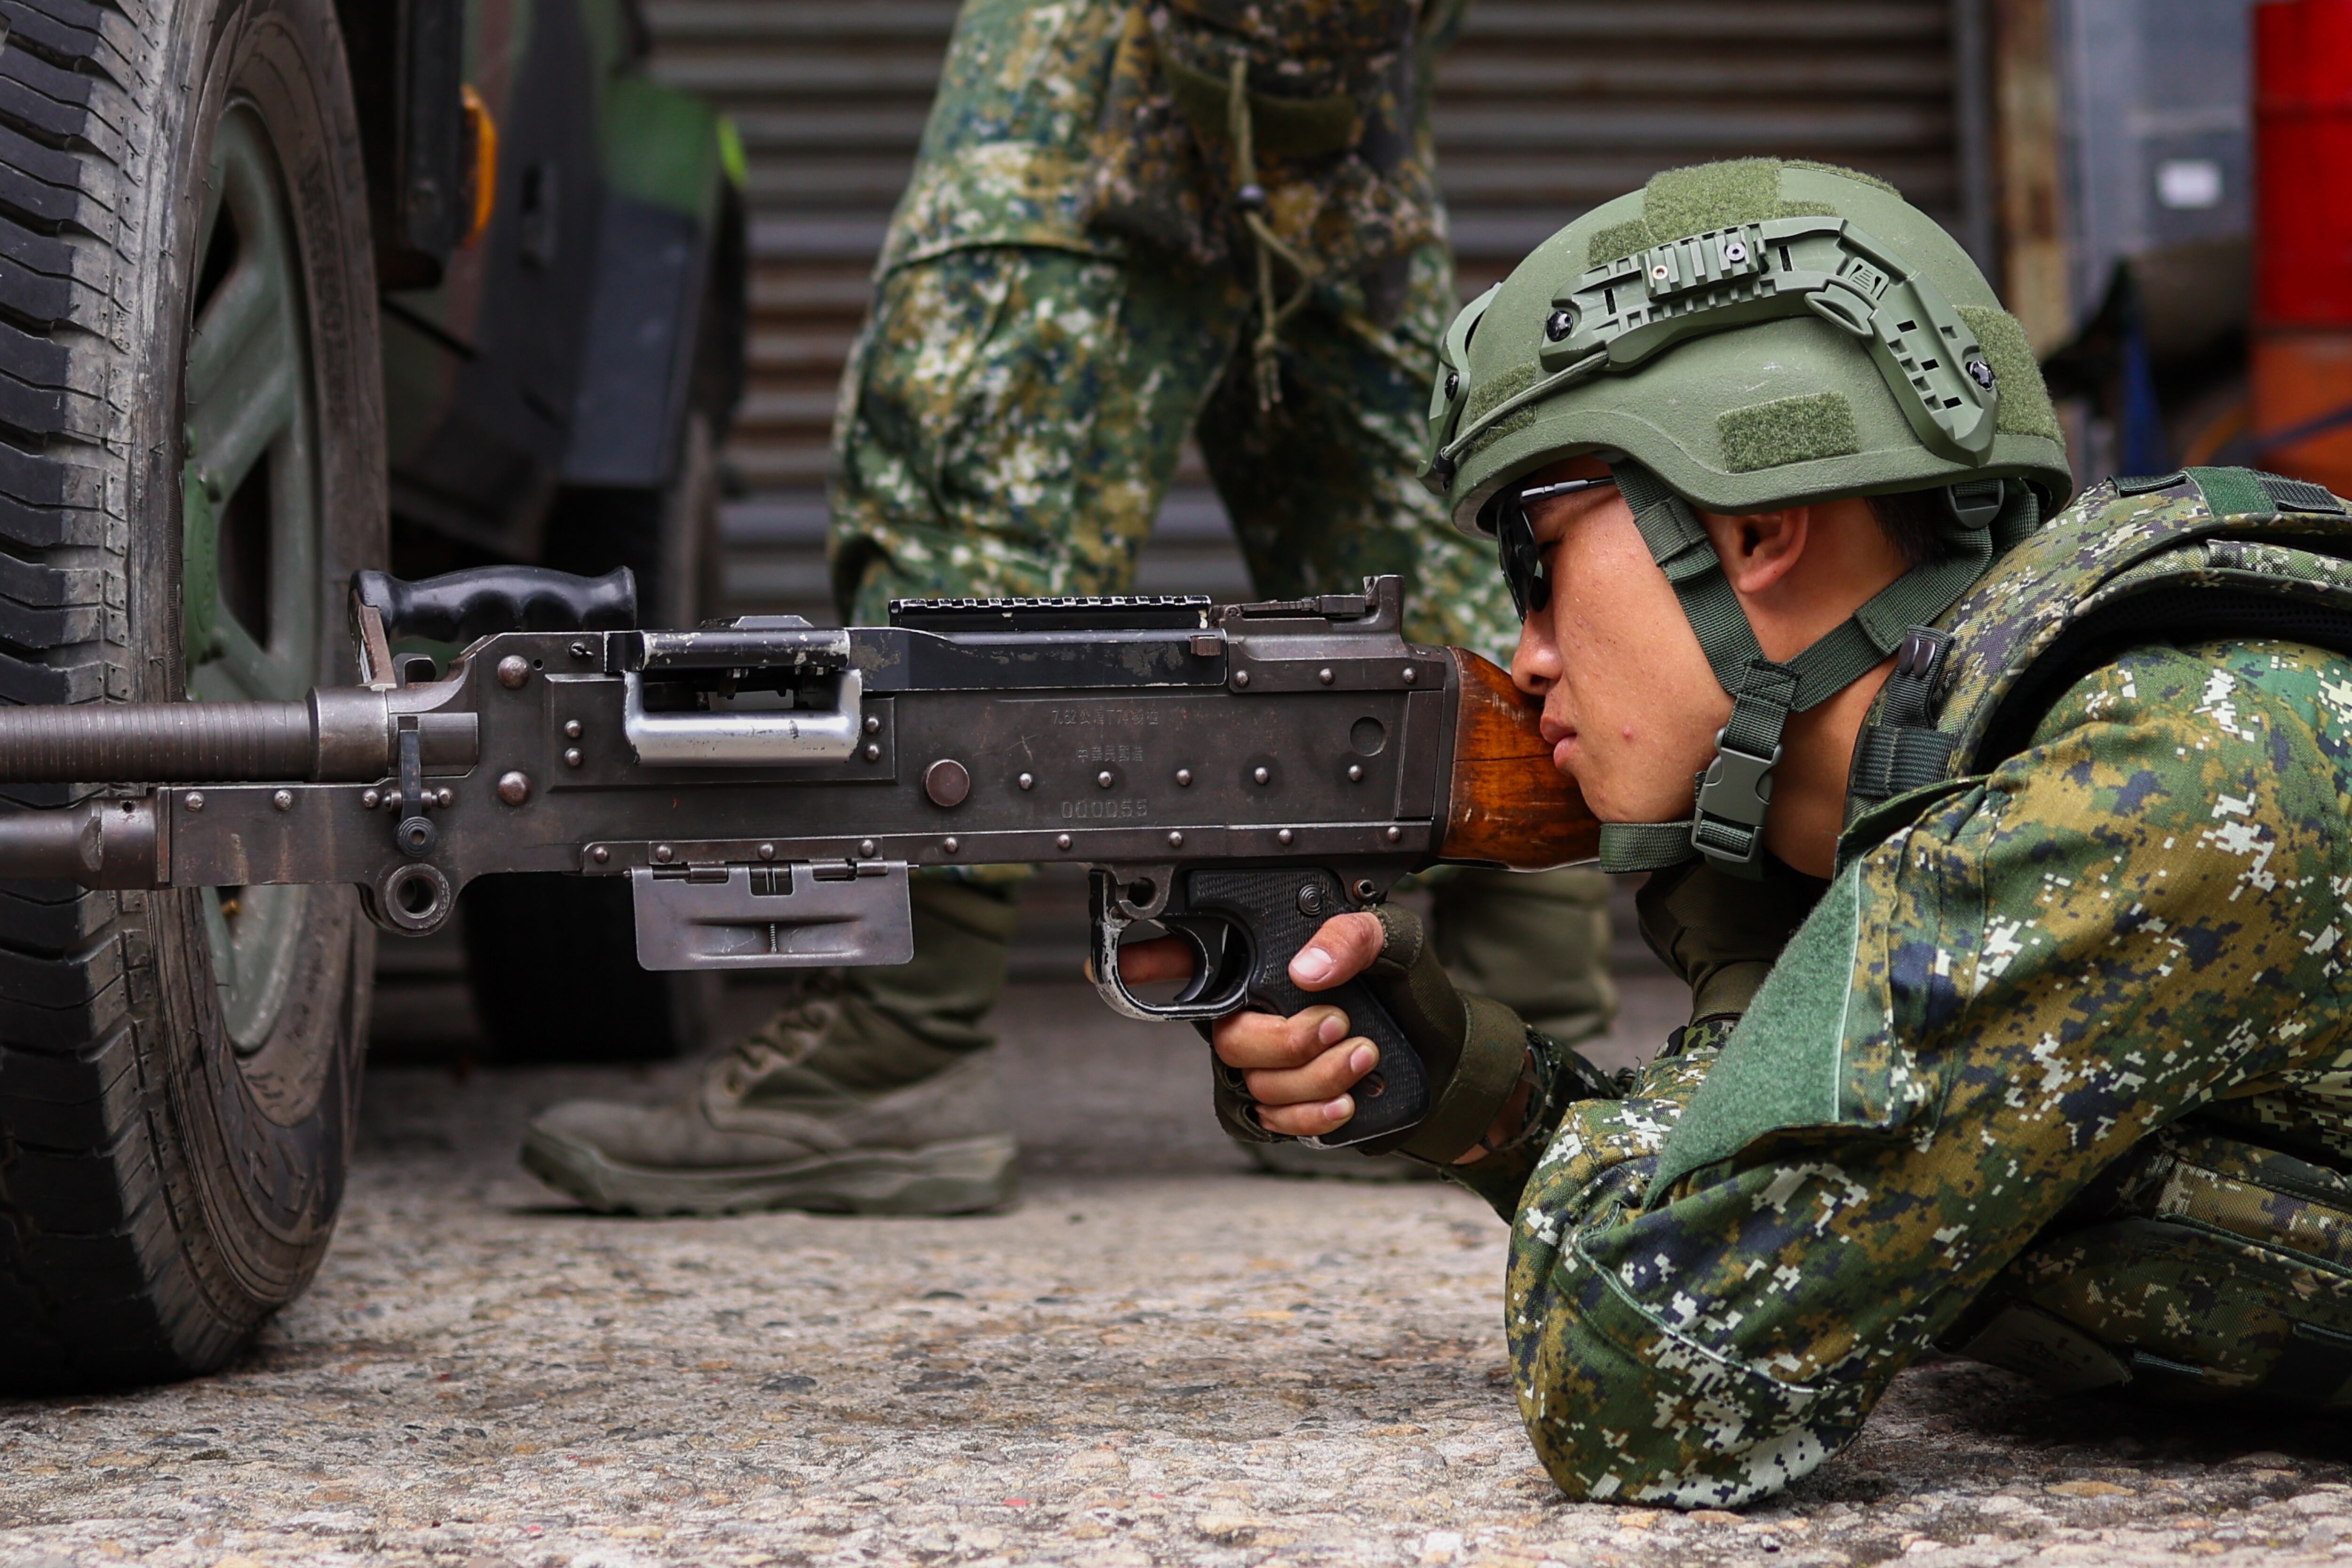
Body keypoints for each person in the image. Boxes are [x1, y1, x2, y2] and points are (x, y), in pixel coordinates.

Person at [1160, 156, 2352, 1505]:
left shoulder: (2161, 772)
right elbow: (1808, 1235)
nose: (1527, 654)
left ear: (1758, 530)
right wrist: (1472, 1091)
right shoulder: (2038, 753)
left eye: (1540, 562)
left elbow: (1643, 1370)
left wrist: (1748, 984)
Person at [517, 0, 1617, 1216]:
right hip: (1343, 46)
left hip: (1125, 44)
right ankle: (1486, 1034)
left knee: (978, 444)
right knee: (1390, 451)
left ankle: (892, 1051)